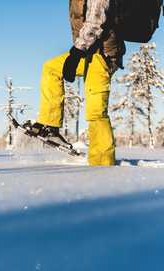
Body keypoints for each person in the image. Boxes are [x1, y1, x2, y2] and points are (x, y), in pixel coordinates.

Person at [28, 0, 126, 166]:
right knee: (51, 68)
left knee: (95, 112)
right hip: (88, 53)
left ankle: (102, 164)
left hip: (103, 56)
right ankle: (50, 126)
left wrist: (75, 54)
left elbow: (95, 23)